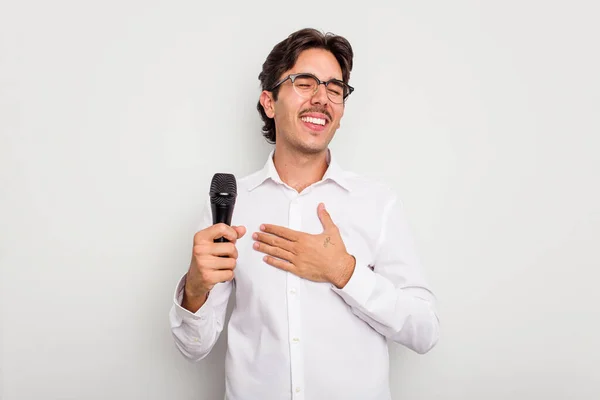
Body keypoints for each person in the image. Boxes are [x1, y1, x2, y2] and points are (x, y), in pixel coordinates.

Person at [169, 27, 440, 400]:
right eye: (305, 82)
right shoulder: (231, 205)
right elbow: (192, 347)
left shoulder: (377, 203)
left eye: (335, 88)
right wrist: (196, 287)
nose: (322, 99)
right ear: (269, 102)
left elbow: (424, 331)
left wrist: (343, 271)